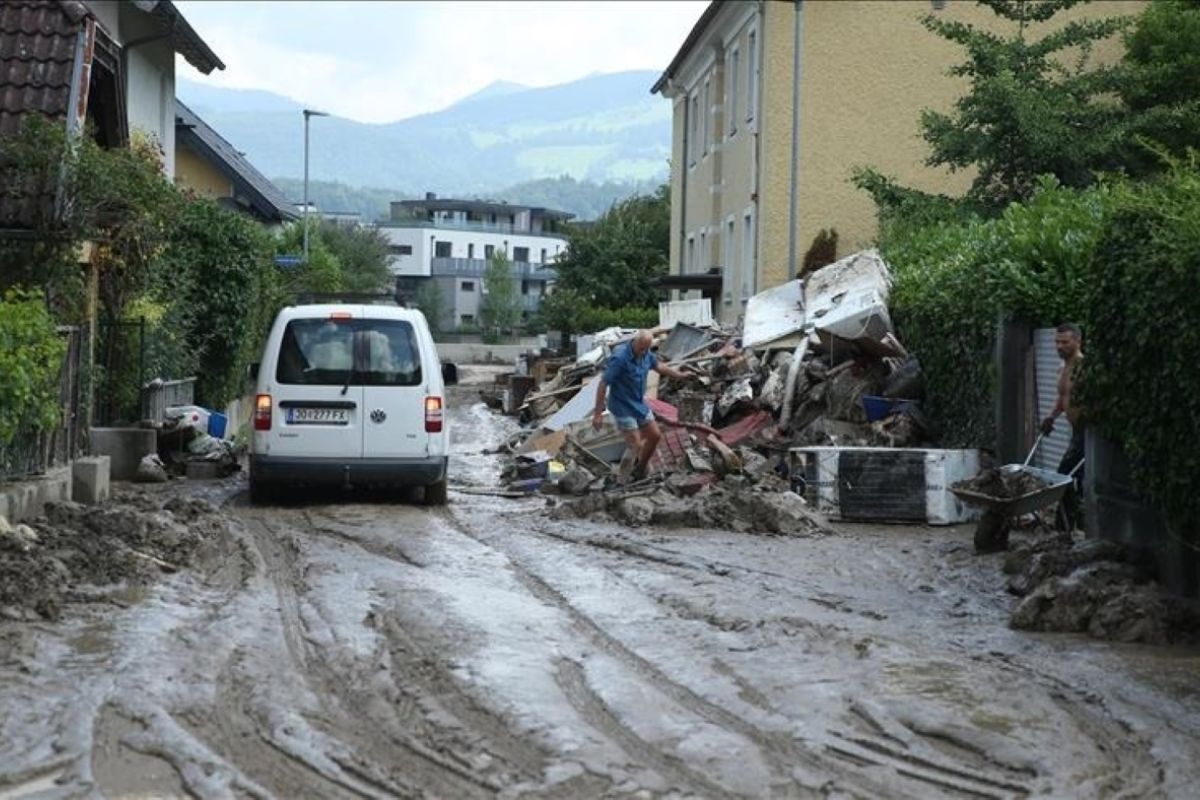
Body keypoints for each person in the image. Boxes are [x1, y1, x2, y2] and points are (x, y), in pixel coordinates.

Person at [592, 330, 692, 481]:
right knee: (635, 445)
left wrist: (679, 375)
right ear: (634, 342)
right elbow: (603, 384)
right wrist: (598, 414)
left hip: (638, 403)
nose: (643, 352)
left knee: (655, 435)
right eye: (641, 349)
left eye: (646, 349)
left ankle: (640, 469)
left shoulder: (646, 354)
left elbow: (659, 366)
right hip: (622, 406)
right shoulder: (620, 358)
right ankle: (622, 480)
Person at [1041, 322, 1085, 531]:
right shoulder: (1062, 368)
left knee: (1065, 477)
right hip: (1075, 433)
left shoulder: (1083, 368)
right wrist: (1051, 416)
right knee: (1067, 479)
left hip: (1087, 434)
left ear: (1078, 342)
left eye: (1065, 342)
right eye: (1057, 342)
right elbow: (1062, 398)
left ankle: (1068, 526)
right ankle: (1066, 526)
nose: (1059, 346)